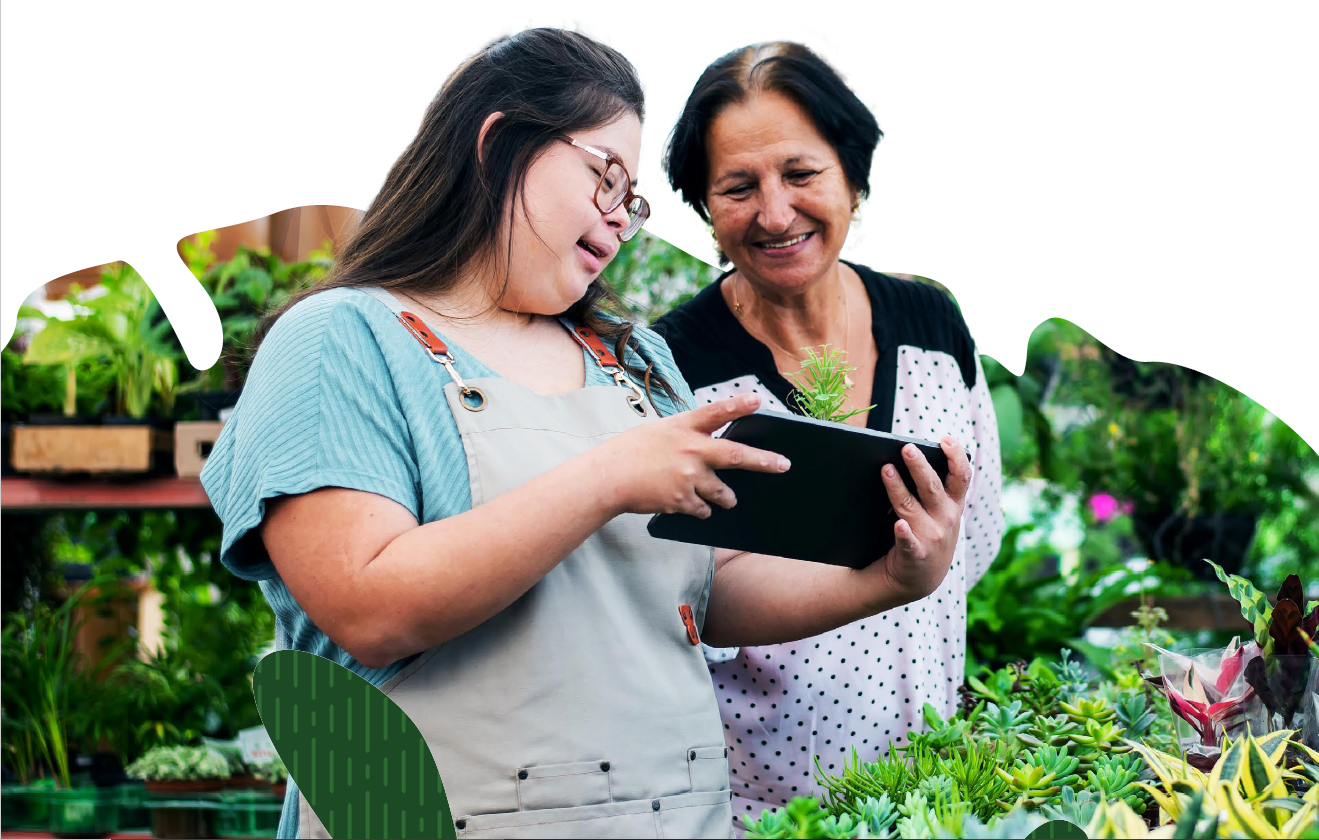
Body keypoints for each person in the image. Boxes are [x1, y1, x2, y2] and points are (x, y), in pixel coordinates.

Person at [200, 29, 973, 839]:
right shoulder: (344, 340)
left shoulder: (630, 361)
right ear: (498, 143)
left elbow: (704, 593)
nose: (617, 220)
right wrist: (607, 478)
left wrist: (892, 578)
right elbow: (370, 607)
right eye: (603, 178)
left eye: (631, 199)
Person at [652, 41, 1006, 823]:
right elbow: (680, 600)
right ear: (704, 207)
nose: (774, 214)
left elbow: (972, 538)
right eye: (737, 187)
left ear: (852, 174)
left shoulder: (932, 325)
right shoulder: (673, 368)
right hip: (765, 810)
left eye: (801, 174)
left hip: (939, 794)